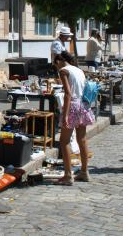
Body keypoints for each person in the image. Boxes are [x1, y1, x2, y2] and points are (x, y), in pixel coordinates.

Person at [53, 51, 94, 185]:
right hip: (83, 105)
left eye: (56, 65)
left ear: (59, 61)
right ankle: (84, 172)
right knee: (82, 139)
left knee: (64, 141)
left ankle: (68, 175)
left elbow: (68, 94)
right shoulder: (79, 70)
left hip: (73, 106)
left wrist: (65, 115)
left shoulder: (64, 71)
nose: (57, 68)